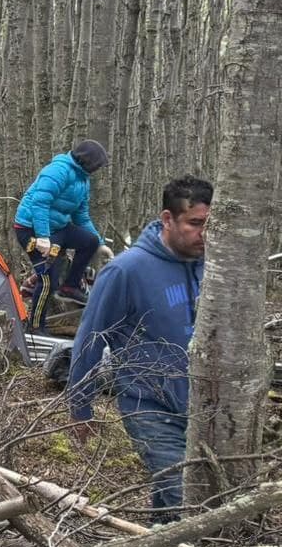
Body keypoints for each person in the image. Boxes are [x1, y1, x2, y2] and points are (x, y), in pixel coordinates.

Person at [68, 176, 213, 524]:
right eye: (195, 224)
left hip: (201, 407)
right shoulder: (126, 271)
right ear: (167, 219)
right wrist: (80, 406)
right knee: (188, 501)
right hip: (148, 405)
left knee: (173, 505)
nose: (204, 234)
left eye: (210, 225)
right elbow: (90, 338)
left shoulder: (213, 268)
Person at [13, 139, 108, 333]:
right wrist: (42, 237)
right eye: (96, 165)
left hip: (58, 227)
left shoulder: (83, 180)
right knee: (48, 279)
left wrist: (99, 242)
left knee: (88, 242)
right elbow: (40, 203)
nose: (97, 170)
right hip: (30, 228)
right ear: (87, 161)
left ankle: (70, 286)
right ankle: (36, 326)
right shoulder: (58, 170)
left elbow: (81, 215)